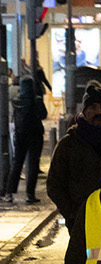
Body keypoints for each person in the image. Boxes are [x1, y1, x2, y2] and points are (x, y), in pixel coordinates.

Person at [47, 82, 101, 221]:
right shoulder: (69, 144)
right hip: (80, 217)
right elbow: (54, 184)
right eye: (93, 107)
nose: (98, 112)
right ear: (84, 111)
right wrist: (71, 213)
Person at [6, 75, 47, 204]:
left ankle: (9, 193)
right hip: (35, 135)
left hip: (20, 135)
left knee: (17, 163)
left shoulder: (17, 101)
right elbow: (43, 115)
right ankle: (30, 194)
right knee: (33, 164)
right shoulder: (36, 100)